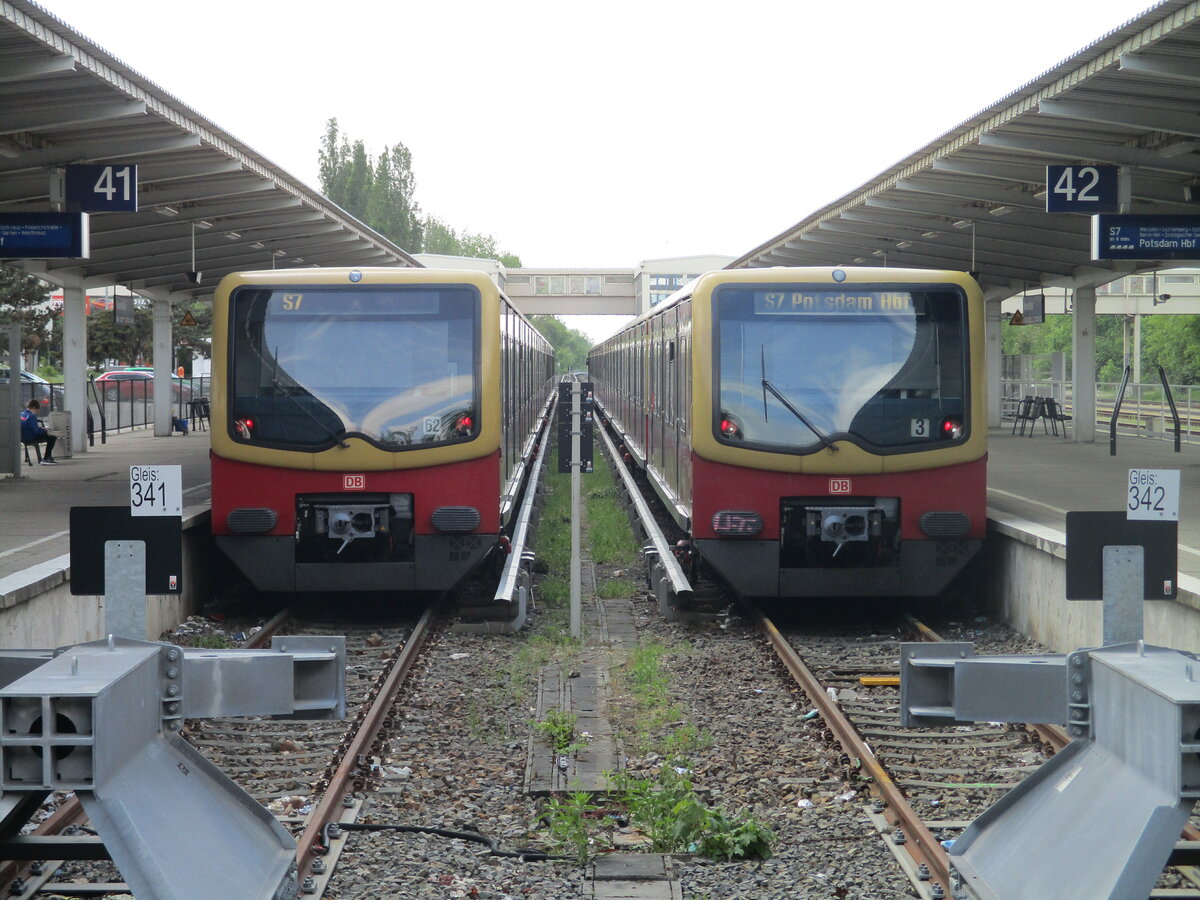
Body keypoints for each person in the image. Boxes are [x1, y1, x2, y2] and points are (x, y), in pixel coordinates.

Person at [19, 400, 57, 465]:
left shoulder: (22, 414)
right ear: (33, 407)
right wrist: (45, 431)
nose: (36, 412)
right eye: (37, 410)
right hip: (30, 437)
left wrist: (40, 429)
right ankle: (47, 458)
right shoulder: (31, 416)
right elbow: (37, 432)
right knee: (52, 437)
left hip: (22, 437)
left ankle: (47, 458)